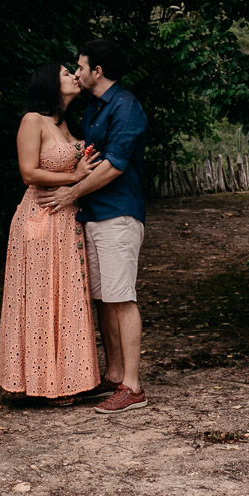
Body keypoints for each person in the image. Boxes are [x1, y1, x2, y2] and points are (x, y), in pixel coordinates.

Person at [38, 39, 149, 414]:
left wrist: (71, 193)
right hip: (94, 214)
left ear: (97, 71)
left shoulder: (126, 106)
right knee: (103, 299)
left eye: (81, 66)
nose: (77, 72)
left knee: (122, 298)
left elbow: (115, 165)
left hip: (119, 214)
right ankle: (115, 374)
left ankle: (133, 387)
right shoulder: (94, 109)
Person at [0, 61, 102, 405]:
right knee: (41, 298)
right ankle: (41, 383)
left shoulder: (69, 124)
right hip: (39, 220)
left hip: (67, 220)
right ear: (49, 83)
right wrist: (75, 177)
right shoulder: (33, 120)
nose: (74, 76)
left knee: (66, 297)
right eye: (66, 73)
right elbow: (28, 173)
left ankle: (69, 380)